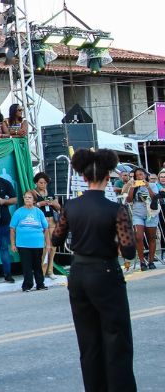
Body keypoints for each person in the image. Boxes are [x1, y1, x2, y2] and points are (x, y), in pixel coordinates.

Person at [51, 149, 137, 392]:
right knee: (116, 335)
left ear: (84, 178)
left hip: (78, 273)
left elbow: (57, 239)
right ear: (108, 178)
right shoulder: (115, 210)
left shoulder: (71, 206)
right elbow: (129, 250)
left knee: (88, 339)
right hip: (106, 272)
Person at [10, 191, 50, 291]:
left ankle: (40, 284)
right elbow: (12, 229)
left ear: (34, 200)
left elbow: (46, 229)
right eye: (25, 197)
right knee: (26, 265)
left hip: (37, 244)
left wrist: (48, 244)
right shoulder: (18, 212)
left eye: (29, 197)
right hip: (23, 244)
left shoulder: (39, 212)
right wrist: (13, 244)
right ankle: (27, 285)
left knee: (37, 265)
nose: (27, 199)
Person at [122, 167, 159, 270]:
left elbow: (154, 198)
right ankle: (142, 262)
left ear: (145, 175)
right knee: (138, 237)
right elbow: (128, 200)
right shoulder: (133, 186)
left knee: (151, 238)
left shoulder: (152, 185)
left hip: (150, 214)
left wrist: (148, 187)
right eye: (137, 175)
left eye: (141, 174)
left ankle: (151, 261)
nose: (139, 177)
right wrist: (132, 187)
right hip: (137, 214)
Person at [31, 173, 61, 279]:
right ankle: (41, 272)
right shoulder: (33, 193)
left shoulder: (50, 193)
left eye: (44, 183)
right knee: (43, 247)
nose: (43, 185)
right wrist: (40, 204)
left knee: (53, 247)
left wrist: (52, 203)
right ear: (36, 182)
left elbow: (58, 207)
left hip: (52, 221)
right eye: (40, 183)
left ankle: (50, 270)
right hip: (40, 222)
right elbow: (29, 206)